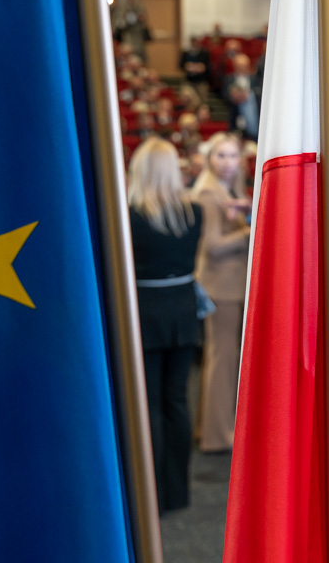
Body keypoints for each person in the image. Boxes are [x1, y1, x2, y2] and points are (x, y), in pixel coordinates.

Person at [127, 138, 203, 513]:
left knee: (151, 403)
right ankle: (178, 491)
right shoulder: (195, 214)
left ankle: (151, 493)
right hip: (184, 311)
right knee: (176, 400)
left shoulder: (130, 217)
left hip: (145, 314)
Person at [191, 133, 251, 454]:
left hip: (230, 285)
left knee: (222, 360)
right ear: (209, 158)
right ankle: (217, 435)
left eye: (232, 156)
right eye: (221, 156)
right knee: (222, 360)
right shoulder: (208, 194)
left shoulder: (227, 190)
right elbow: (212, 247)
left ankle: (212, 427)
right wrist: (248, 232)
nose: (227, 163)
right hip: (221, 287)